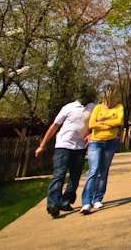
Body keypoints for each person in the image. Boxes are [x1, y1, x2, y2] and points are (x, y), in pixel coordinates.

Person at [35, 84, 96, 218]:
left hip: (80, 147)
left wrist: (92, 133)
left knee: (75, 176)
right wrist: (42, 145)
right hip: (63, 145)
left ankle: (66, 201)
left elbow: (96, 125)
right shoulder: (69, 107)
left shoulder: (93, 108)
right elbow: (54, 126)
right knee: (59, 174)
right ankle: (53, 204)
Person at [80, 90, 124, 215]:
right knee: (93, 170)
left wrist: (102, 123)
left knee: (103, 171)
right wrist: (109, 125)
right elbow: (92, 124)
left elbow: (119, 122)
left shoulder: (119, 107)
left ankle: (98, 198)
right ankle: (86, 202)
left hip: (111, 142)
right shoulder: (98, 108)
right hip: (96, 142)